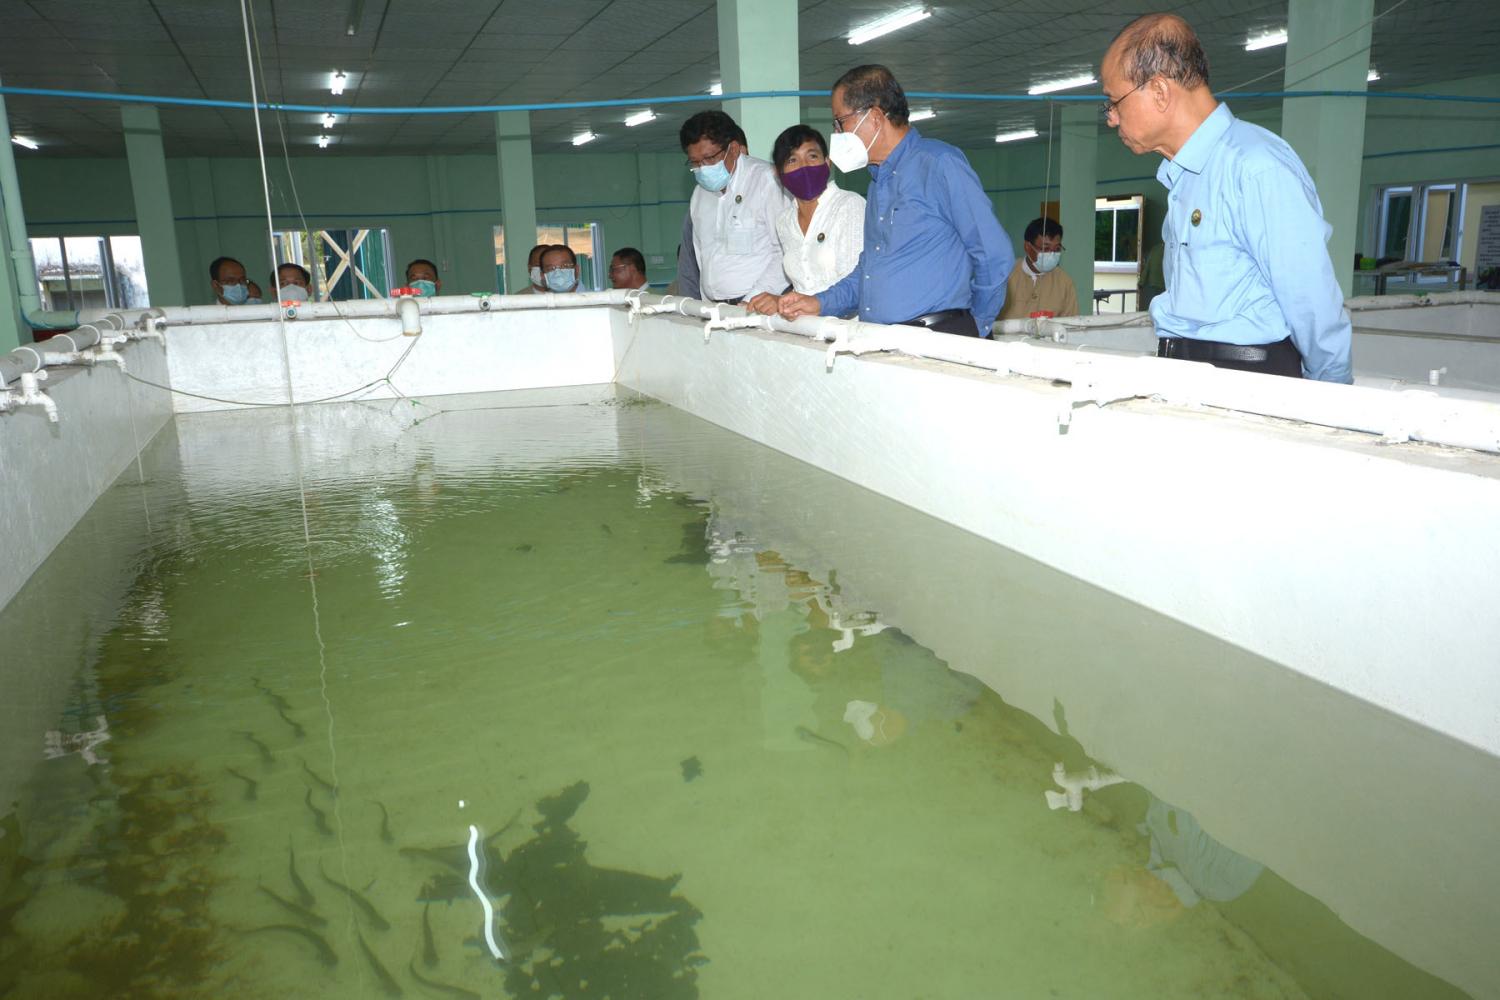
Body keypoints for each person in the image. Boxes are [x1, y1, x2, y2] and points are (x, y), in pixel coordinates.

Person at [1101, 13, 1352, 382]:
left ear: (1159, 91)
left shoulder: (1255, 167)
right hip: (1188, 371)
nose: (1111, 118)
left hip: (1246, 378)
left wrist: (1332, 399)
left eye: (1114, 101)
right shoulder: (1184, 179)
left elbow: (1312, 302)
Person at [777, 65, 1014, 337]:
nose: (837, 133)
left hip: (937, 335)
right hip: (886, 339)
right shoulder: (878, 183)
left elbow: (993, 253)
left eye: (840, 122)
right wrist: (819, 302)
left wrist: (977, 325)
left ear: (875, 117)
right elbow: (867, 273)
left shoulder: (939, 164)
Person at [749, 125, 864, 316]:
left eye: (812, 156)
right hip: (804, 327)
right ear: (778, 173)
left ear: (827, 162)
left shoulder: (849, 205)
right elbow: (802, 285)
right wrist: (782, 302)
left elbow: (856, 283)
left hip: (846, 326)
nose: (804, 166)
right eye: (792, 160)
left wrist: (800, 304)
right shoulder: (784, 221)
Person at [680, 110, 790, 304]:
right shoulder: (699, 194)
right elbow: (701, 254)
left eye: (709, 158)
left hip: (758, 305)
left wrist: (751, 301)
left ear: (733, 149)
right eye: (695, 162)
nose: (703, 168)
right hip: (715, 308)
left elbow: (785, 251)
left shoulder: (766, 181)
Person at [999, 218, 1078, 321]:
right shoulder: (1004, 275)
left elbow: (1071, 324)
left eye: (1057, 249)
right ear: (1028, 247)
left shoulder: (1064, 283)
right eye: (1045, 248)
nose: (1051, 254)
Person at [1137, 239, 1165, 311]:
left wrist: (1141, 282)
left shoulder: (1155, 249)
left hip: (1153, 282)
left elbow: (1147, 266)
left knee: (1154, 301)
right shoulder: (1170, 250)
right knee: (1161, 304)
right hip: (1163, 283)